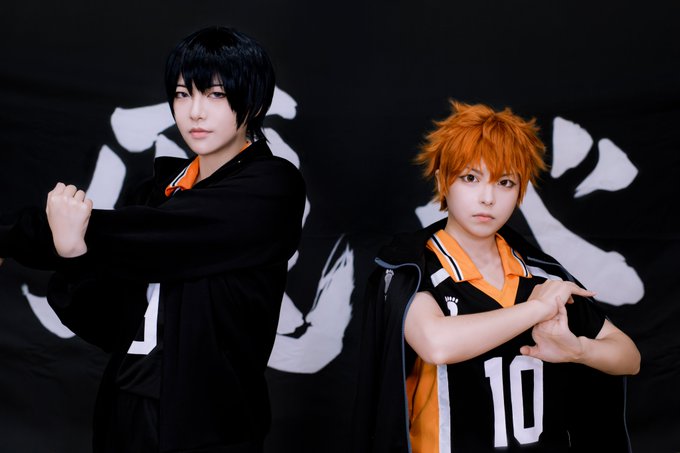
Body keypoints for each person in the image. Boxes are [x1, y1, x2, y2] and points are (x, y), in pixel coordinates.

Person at [0, 26, 305, 452]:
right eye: (182, 94)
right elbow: (109, 326)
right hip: (126, 411)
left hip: (209, 426)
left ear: (253, 101)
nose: (194, 112)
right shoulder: (156, 192)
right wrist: (72, 254)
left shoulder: (271, 186)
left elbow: (151, 235)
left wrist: (15, 239)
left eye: (215, 95)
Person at [352, 101, 640, 453]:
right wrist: (536, 310)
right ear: (443, 180)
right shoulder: (411, 267)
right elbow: (436, 343)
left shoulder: (538, 273)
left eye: (504, 182)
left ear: (520, 191)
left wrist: (578, 350)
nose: (487, 198)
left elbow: (629, 357)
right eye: (470, 178)